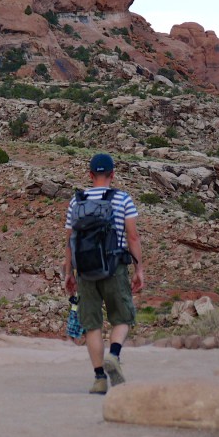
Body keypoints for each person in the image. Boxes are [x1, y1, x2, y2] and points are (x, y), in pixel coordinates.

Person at [63, 153, 144, 394]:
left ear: (90, 175)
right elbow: (133, 236)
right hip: (114, 267)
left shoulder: (76, 202)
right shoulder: (122, 199)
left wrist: (69, 273)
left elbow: (69, 241)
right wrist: (139, 268)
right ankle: (114, 354)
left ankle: (99, 379)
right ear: (113, 174)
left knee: (92, 325)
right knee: (122, 318)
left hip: (85, 271)